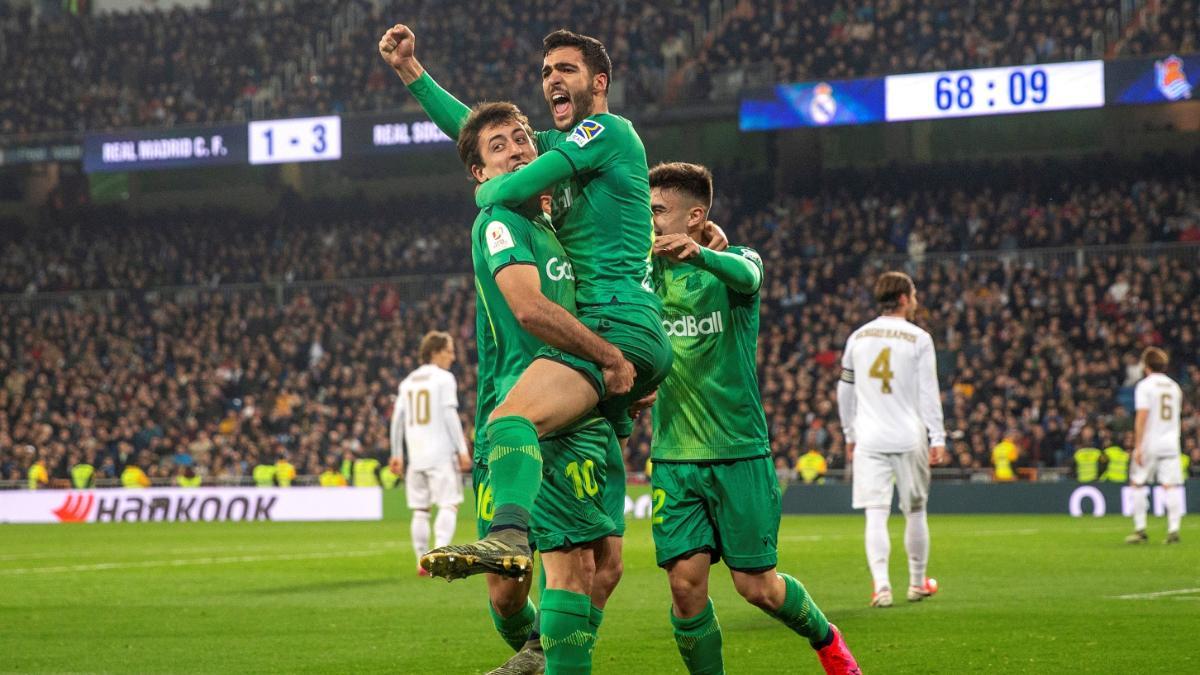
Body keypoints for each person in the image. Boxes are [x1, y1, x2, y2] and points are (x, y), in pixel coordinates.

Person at [381, 25, 673, 570]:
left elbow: (507, 183)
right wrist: (411, 72)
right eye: (545, 72)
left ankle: (510, 537)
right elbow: (476, 133)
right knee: (598, 561)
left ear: (600, 81)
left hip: (613, 326)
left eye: (566, 69)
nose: (552, 80)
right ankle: (545, 642)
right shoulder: (557, 146)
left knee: (509, 422)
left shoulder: (607, 131)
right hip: (610, 330)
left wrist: (486, 189)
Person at [419, 101, 630, 675]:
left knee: (591, 565)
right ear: (479, 175)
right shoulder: (500, 222)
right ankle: (541, 649)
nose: (516, 148)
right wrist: (611, 357)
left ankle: (546, 656)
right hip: (517, 410)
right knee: (508, 593)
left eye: (521, 139)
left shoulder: (550, 223)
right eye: (498, 146)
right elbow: (530, 310)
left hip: (567, 417)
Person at [648, 162, 859, 674]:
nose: (649, 220)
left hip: (739, 451)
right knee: (684, 586)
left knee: (756, 588)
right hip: (674, 455)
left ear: (696, 216)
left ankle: (827, 639)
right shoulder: (646, 272)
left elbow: (750, 274)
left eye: (659, 211)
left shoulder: (736, 262)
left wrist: (704, 252)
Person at [837, 271, 946, 608]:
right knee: (915, 510)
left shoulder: (858, 337)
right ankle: (917, 583)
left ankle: (882, 587)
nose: (914, 300)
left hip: (869, 437)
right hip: (908, 435)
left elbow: (845, 390)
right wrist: (938, 436)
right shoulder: (919, 339)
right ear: (902, 298)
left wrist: (849, 434)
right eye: (912, 294)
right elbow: (930, 392)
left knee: (875, 512)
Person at [390, 330, 472, 575]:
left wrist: (397, 454)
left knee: (421, 509)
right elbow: (449, 415)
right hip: (440, 453)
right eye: (449, 351)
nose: (453, 357)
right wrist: (462, 449)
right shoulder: (444, 379)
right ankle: (439, 555)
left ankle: (421, 559)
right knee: (450, 504)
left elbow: (397, 420)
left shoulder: (407, 382)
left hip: (415, 455)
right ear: (435, 352)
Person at [1126, 347, 1185, 544]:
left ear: (1146, 365)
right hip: (1171, 442)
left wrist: (1138, 446)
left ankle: (1140, 529)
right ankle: (1174, 530)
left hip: (1151, 441)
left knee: (1138, 483)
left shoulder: (1145, 386)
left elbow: (1142, 416)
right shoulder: (1174, 387)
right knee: (1170, 486)